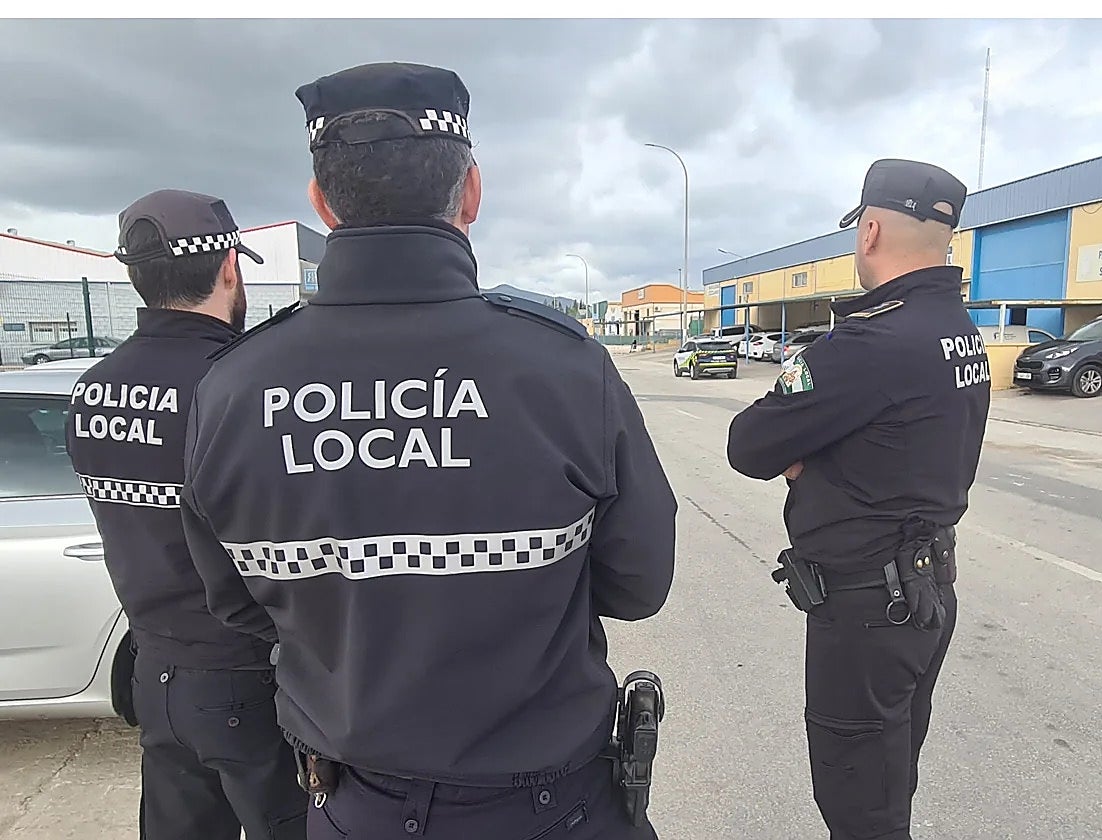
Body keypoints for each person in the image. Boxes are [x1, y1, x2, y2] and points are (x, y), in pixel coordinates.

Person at [179, 62, 677, 840]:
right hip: (554, 811)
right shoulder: (564, 365)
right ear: (470, 193)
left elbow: (239, 603)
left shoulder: (235, 387)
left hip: (353, 807)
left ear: (321, 200)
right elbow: (639, 583)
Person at [726, 159, 989, 840]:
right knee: (888, 787)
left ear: (869, 230)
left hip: (871, 610)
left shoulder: (869, 342)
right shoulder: (958, 330)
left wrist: (810, 467)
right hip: (926, 593)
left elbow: (749, 445)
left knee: (858, 807)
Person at [65, 190, 308, 840]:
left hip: (157, 678)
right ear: (230, 266)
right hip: (251, 684)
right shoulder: (241, 389)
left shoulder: (92, 389)